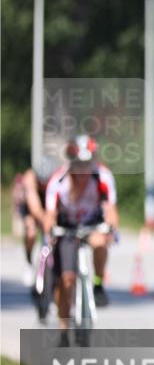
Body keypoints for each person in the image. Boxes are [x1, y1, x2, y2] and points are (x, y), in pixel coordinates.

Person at [43, 136, 119, 343]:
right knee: (66, 280)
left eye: (87, 164)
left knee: (101, 243)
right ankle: (64, 330)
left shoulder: (102, 176)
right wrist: (49, 231)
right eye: (78, 164)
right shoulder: (59, 181)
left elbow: (111, 209)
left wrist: (111, 228)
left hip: (92, 224)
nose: (83, 170)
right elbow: (49, 214)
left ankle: (98, 283)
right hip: (67, 228)